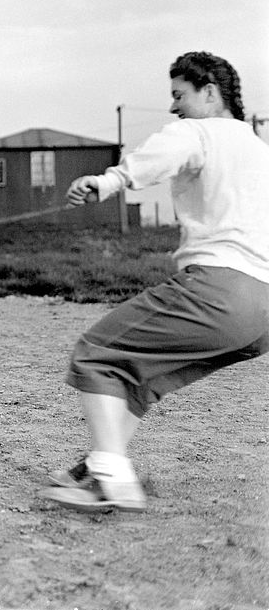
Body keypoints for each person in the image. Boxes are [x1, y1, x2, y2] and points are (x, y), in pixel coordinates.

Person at [39, 51, 269, 513]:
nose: (173, 107)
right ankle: (99, 465)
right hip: (264, 314)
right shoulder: (260, 148)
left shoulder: (196, 131)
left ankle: (112, 478)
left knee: (97, 354)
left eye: (179, 95)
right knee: (142, 380)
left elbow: (161, 155)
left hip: (222, 291)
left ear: (209, 93)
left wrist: (108, 181)